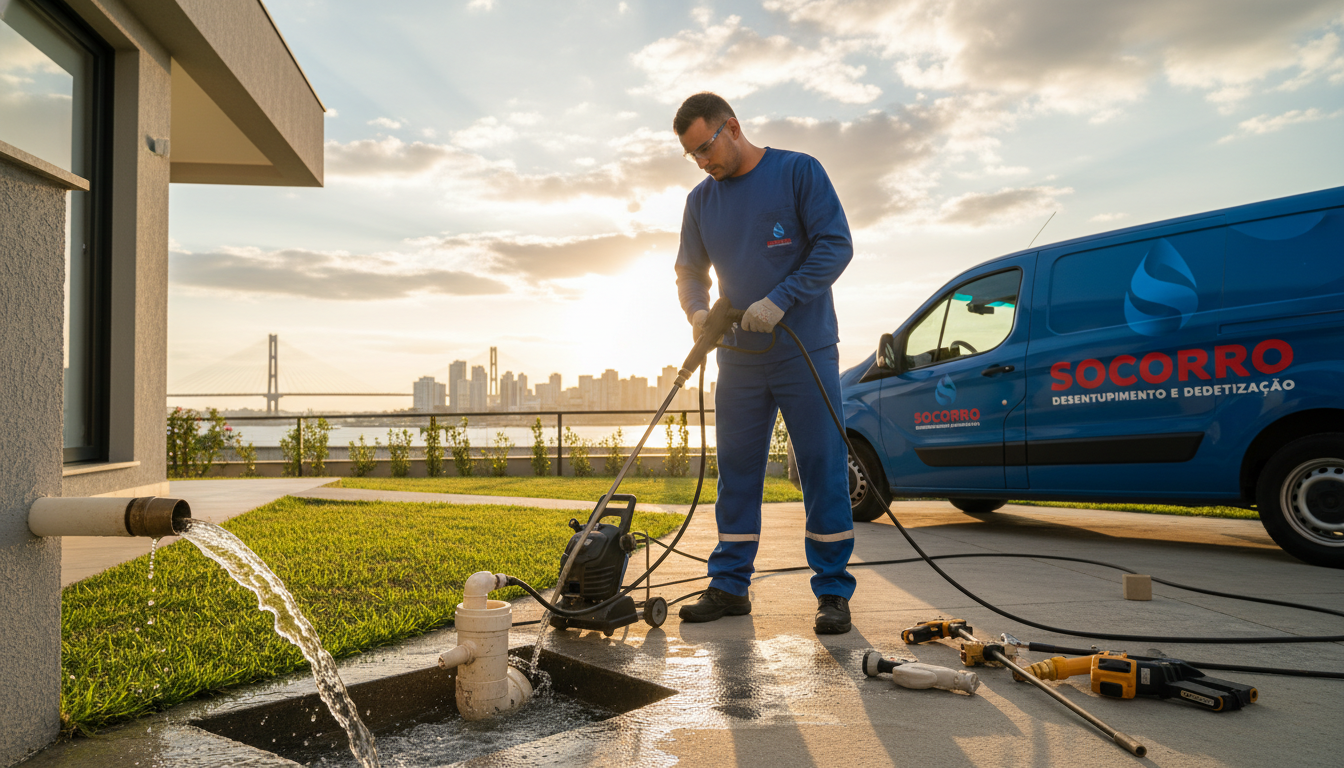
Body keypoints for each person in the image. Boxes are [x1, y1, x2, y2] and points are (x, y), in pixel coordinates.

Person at [672, 92, 856, 634]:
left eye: (705, 148)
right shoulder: (700, 203)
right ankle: (730, 585)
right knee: (737, 471)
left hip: (806, 350)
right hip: (739, 360)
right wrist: (698, 311)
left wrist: (782, 297)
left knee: (822, 468)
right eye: (692, 156)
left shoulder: (798, 172)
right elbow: (688, 270)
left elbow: (835, 245)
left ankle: (832, 592)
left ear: (731, 126)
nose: (703, 162)